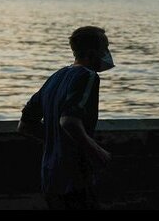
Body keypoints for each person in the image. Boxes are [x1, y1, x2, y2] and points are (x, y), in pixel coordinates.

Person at [17, 26, 114, 210]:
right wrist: (97, 151)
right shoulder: (88, 76)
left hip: (50, 177)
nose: (107, 54)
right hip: (75, 176)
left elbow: (25, 125)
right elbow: (69, 121)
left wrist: (56, 139)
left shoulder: (56, 77)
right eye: (105, 48)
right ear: (93, 53)